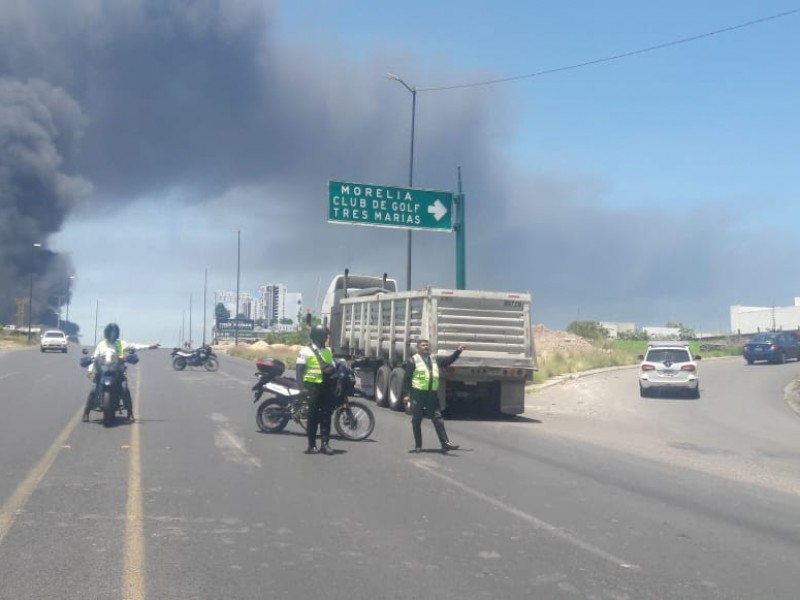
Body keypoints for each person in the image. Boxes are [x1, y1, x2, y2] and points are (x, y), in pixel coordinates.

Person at [83, 323, 160, 422]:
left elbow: (135, 346)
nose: (112, 334)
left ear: (117, 333)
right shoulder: (101, 344)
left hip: (117, 372)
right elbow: (93, 357)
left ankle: (130, 413)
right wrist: (90, 370)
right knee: (93, 389)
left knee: (125, 388)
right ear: (106, 333)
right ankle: (86, 412)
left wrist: (150, 346)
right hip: (102, 372)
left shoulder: (120, 344)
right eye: (110, 332)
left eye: (114, 332)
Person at [402, 339, 466, 453]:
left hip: (431, 394)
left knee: (438, 418)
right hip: (418, 394)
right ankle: (418, 445)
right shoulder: (413, 361)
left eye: (427, 345)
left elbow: (447, 361)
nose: (425, 347)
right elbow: (407, 379)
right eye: (423, 345)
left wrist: (458, 352)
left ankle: (445, 443)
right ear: (418, 348)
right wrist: (406, 394)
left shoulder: (434, 359)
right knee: (416, 420)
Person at [295, 324, 338, 455]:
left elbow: (333, 367)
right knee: (312, 417)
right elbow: (299, 372)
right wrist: (302, 388)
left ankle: (325, 444)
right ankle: (311, 445)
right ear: (318, 336)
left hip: (326, 387)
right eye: (325, 336)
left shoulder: (328, 351)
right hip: (312, 388)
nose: (326, 338)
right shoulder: (305, 351)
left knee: (326, 416)